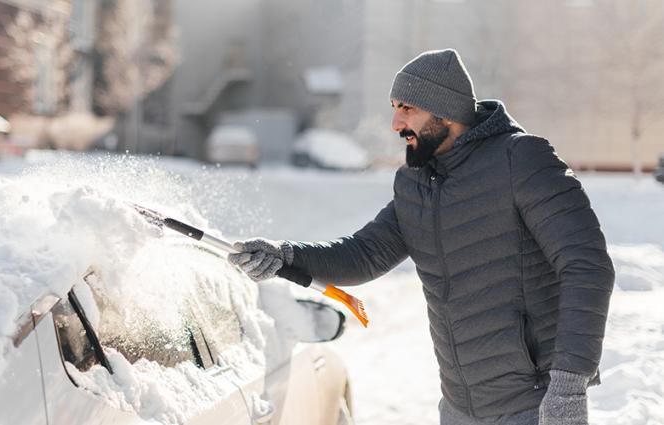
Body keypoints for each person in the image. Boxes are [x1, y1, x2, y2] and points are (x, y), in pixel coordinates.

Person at [228, 49, 614, 425]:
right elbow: (364, 254)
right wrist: (285, 256)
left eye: (407, 108)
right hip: (459, 408)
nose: (395, 123)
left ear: (446, 112)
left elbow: (587, 266)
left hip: (535, 404)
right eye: (394, 107)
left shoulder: (521, 159)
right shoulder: (416, 184)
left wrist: (569, 382)